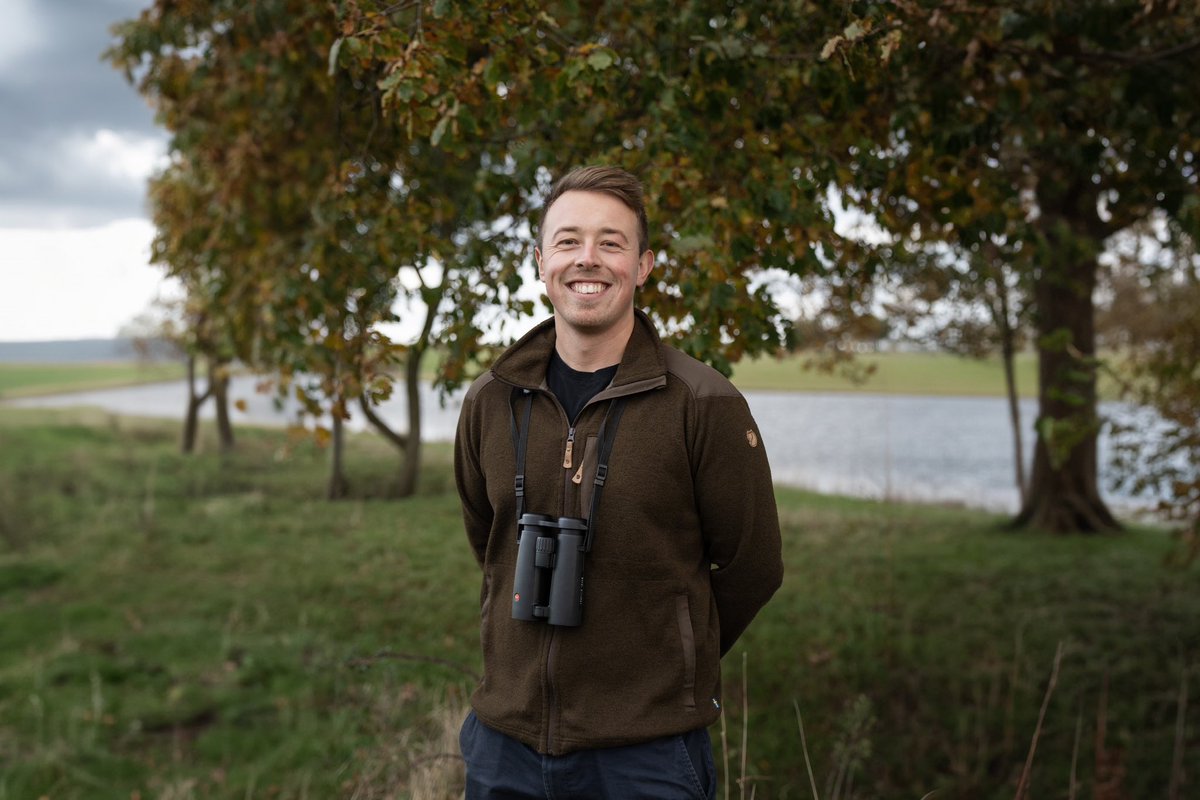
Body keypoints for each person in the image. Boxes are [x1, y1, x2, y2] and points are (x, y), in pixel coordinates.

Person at [454, 165, 784, 799]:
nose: (588, 258)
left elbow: (754, 566)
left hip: (648, 756)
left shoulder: (703, 403)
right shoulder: (490, 401)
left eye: (611, 243)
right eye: (568, 240)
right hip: (504, 747)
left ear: (643, 266)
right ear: (540, 262)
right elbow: (488, 544)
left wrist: (671, 660)